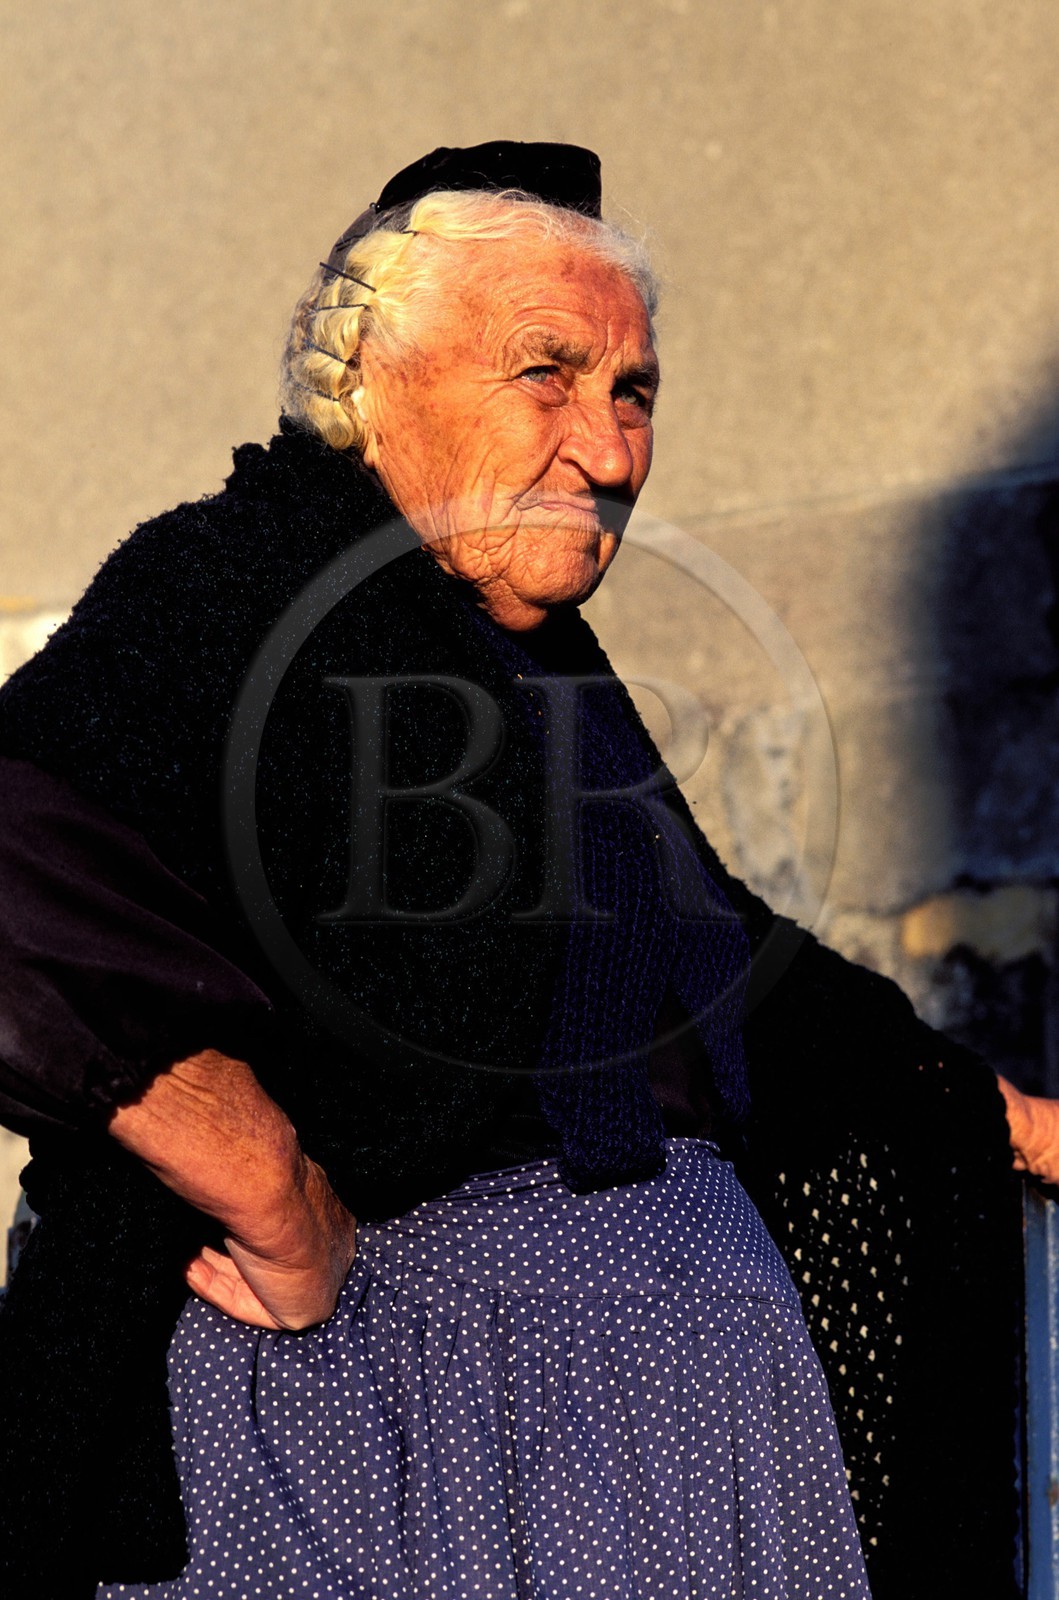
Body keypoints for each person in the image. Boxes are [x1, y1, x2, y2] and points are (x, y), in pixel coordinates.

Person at [0, 140, 1051, 1599]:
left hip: (688, 1455)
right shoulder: (235, 589)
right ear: (366, 386)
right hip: (397, 1444)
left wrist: (1003, 1116)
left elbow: (734, 985)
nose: (612, 450)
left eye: (634, 395)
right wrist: (268, 1185)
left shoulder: (546, 680)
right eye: (547, 376)